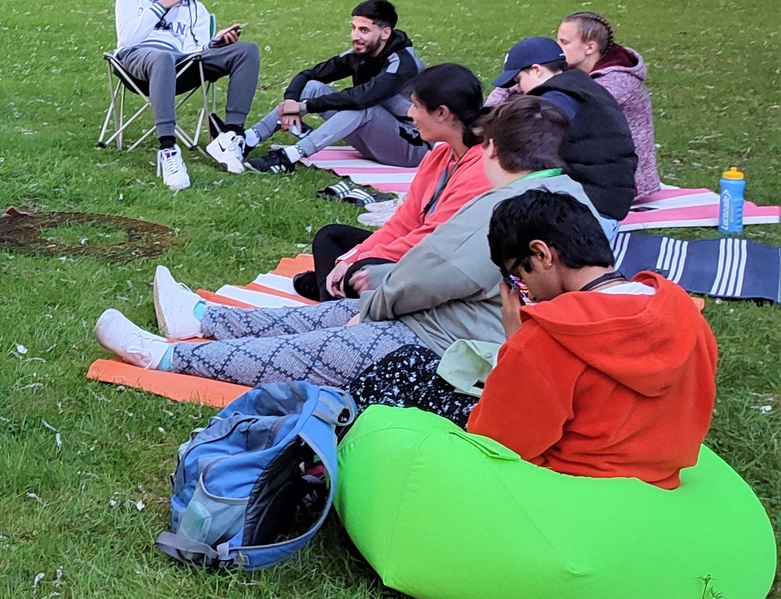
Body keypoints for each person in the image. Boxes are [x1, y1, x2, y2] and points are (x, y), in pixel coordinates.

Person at [97, 97, 613, 387]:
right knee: (322, 317)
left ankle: (167, 358)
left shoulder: (508, 206)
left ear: (492, 149)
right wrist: (379, 284)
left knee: (312, 349)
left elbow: (439, 270)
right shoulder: (566, 194)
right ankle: (206, 320)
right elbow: (425, 252)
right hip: (448, 321)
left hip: (449, 345)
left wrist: (376, 301)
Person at [470, 188, 715, 487]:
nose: (524, 292)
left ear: (541, 254)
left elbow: (496, 444)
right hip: (663, 481)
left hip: (571, 490)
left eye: (516, 277)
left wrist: (512, 346)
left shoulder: (546, 335)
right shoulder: (688, 317)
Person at [293, 63, 493, 300]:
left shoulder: (481, 167)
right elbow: (403, 222)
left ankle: (330, 299)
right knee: (331, 238)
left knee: (360, 270)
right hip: (418, 251)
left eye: (416, 106)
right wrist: (352, 256)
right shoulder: (441, 156)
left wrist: (362, 260)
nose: (410, 114)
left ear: (442, 113)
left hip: (440, 264)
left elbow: (433, 240)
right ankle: (332, 289)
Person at [111, 0, 262, 191]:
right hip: (136, 60)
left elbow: (195, 51)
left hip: (181, 65)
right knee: (162, 58)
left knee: (247, 50)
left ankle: (229, 137)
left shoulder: (195, 10)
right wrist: (162, 5)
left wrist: (214, 44)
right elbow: (127, 39)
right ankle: (168, 150)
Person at [241, 0, 425, 172]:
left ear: (386, 33)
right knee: (312, 87)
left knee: (362, 107)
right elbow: (308, 74)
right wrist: (291, 103)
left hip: (411, 147)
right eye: (353, 28)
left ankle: (289, 157)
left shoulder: (403, 64)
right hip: (374, 138)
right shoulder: (361, 53)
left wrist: (304, 106)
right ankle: (249, 139)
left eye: (364, 30)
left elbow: (361, 98)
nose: (355, 36)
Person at [492, 36, 638, 221]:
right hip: (606, 202)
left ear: (536, 70)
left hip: (588, 210)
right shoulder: (582, 88)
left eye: (518, 80)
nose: (519, 89)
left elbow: (530, 141)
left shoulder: (557, 98)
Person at [558, 12, 662, 201]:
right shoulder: (574, 69)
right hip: (596, 168)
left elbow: (565, 109)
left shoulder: (619, 82)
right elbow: (511, 84)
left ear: (590, 47)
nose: (557, 48)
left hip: (626, 183)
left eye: (564, 42)